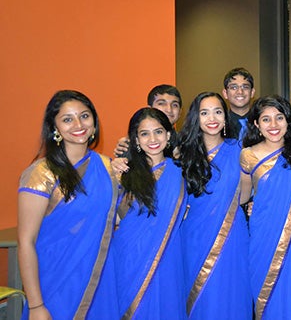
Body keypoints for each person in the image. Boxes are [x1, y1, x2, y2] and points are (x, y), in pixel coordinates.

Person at [18, 90, 119, 319]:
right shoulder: (41, 173)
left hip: (101, 281)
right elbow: (26, 241)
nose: (78, 124)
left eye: (84, 116)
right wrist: (35, 306)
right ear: (54, 127)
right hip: (55, 282)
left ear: (94, 121)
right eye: (67, 119)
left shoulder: (108, 167)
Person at [239, 95, 291, 319]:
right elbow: (243, 195)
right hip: (264, 232)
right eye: (266, 119)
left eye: (279, 118)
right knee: (267, 294)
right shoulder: (248, 155)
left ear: (288, 121)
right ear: (256, 123)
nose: (273, 125)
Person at [177, 92, 252, 319]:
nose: (212, 118)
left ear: (225, 116)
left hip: (232, 236)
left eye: (218, 111)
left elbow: (245, 195)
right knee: (200, 299)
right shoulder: (181, 153)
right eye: (204, 112)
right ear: (195, 118)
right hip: (193, 238)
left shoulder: (241, 150)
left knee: (232, 294)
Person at [112, 108, 187, 319]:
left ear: (169, 135)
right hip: (128, 258)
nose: (152, 139)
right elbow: (112, 217)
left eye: (159, 132)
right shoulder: (123, 173)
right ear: (135, 139)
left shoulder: (182, 171)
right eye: (144, 133)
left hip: (168, 258)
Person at [113, 84, 182, 157]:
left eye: (174, 105)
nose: (169, 109)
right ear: (150, 109)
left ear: (180, 112)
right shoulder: (131, 143)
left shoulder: (185, 142)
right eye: (161, 103)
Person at [222, 67, 256, 141]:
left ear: (252, 92)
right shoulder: (219, 124)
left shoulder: (261, 123)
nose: (240, 92)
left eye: (245, 87)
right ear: (225, 93)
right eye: (234, 87)